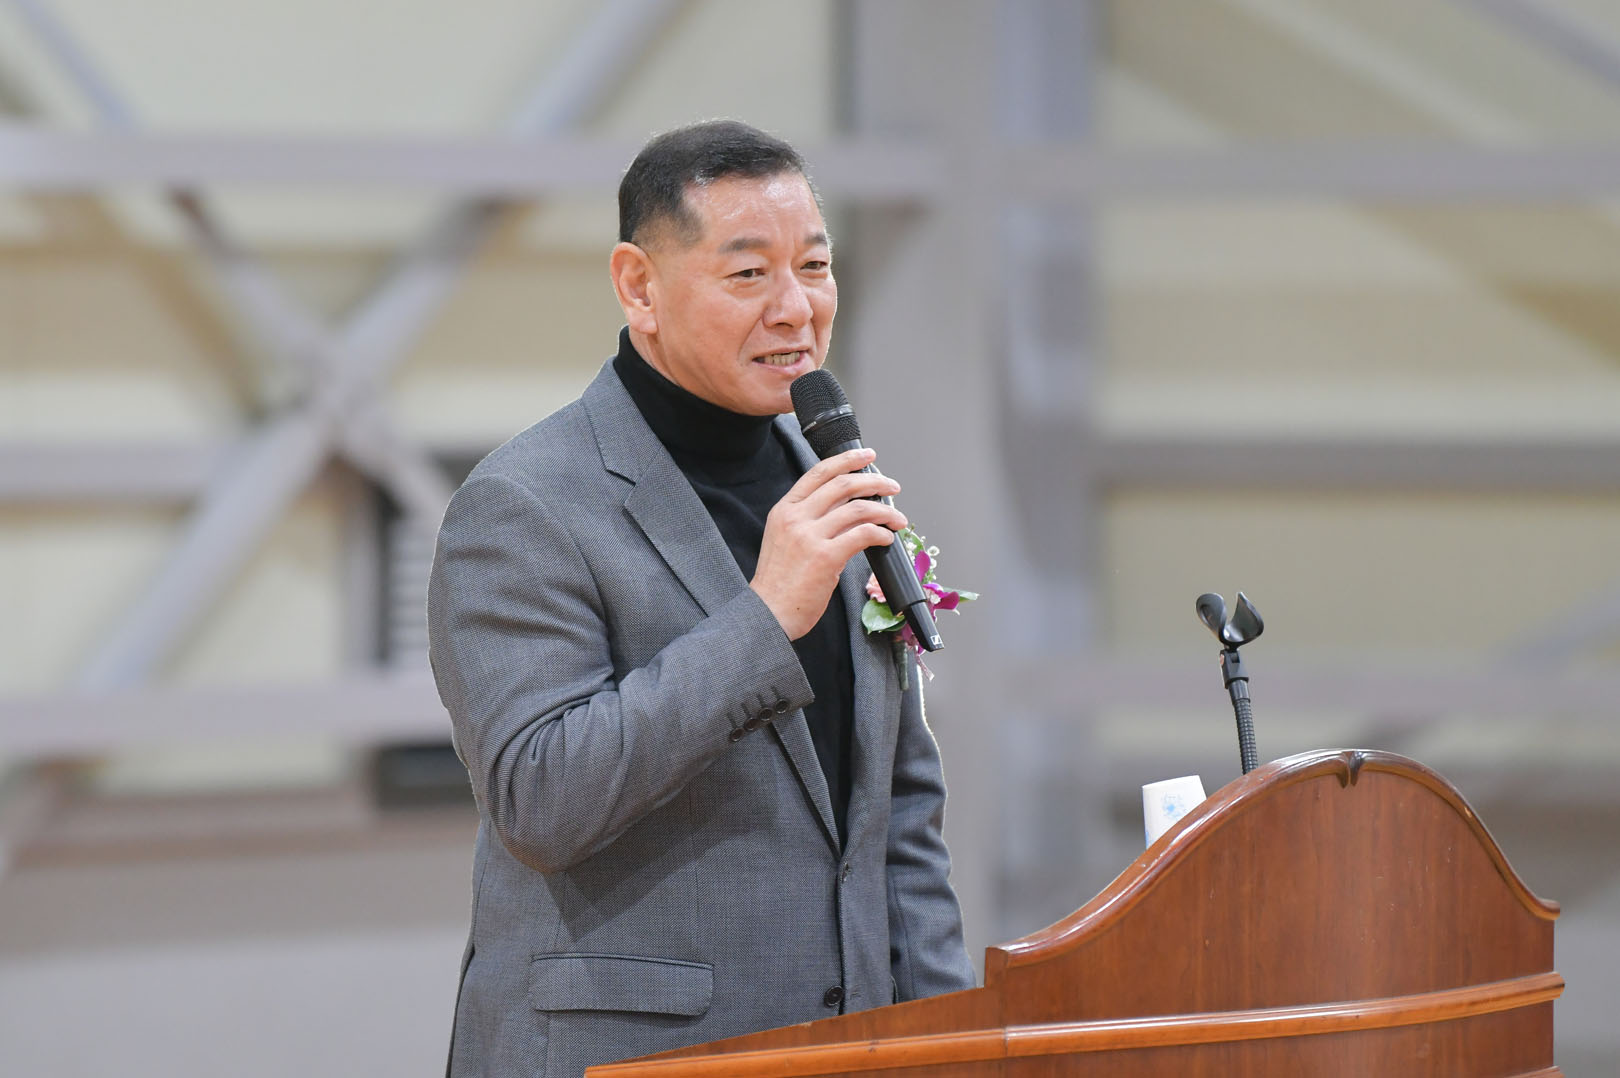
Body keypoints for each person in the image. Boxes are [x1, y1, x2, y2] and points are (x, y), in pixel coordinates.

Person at [426, 119, 975, 1078]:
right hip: (627, 1051)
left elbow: (897, 811)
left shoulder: (829, 477)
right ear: (639, 286)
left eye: (815, 266)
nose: (796, 308)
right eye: (749, 273)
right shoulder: (525, 504)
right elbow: (540, 801)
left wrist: (948, 1036)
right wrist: (764, 620)